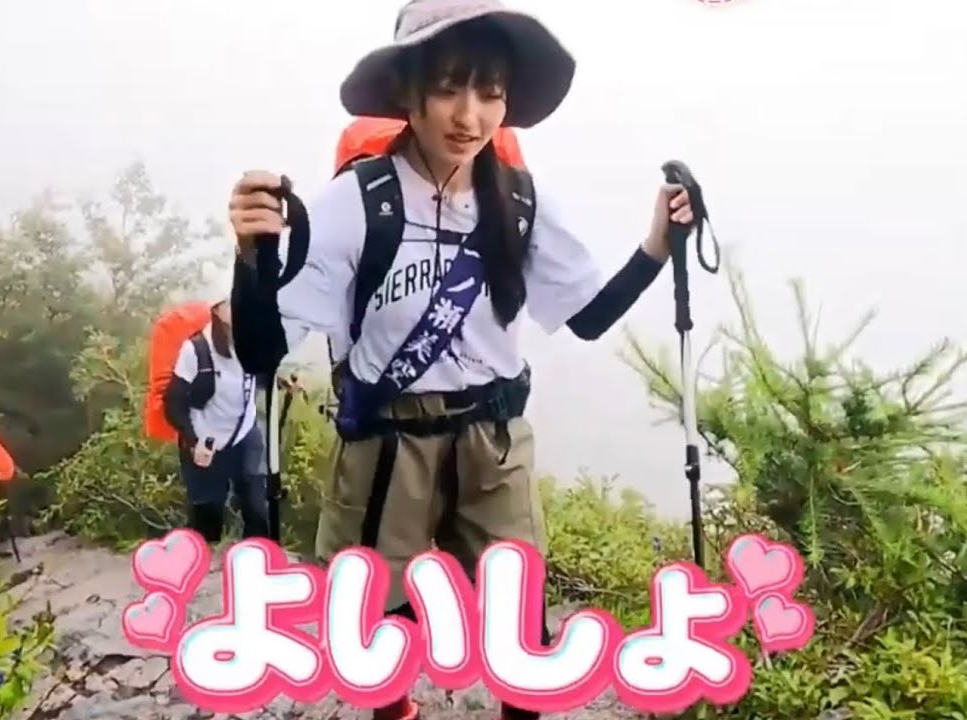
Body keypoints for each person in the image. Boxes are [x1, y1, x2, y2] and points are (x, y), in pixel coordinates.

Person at [227, 1, 694, 718]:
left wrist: (657, 242)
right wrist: (251, 260)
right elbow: (261, 351)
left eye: (490, 92)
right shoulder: (356, 203)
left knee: (520, 624)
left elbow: (589, 318)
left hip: (492, 440)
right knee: (375, 621)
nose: (469, 116)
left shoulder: (520, 202)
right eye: (448, 88)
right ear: (407, 92)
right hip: (385, 443)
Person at [162, 292, 270, 543]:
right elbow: (173, 403)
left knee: (257, 507)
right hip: (205, 438)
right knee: (207, 517)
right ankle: (202, 562)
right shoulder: (197, 350)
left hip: (244, 433)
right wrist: (193, 440)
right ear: (217, 310)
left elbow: (259, 376)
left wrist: (284, 381)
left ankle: (255, 559)